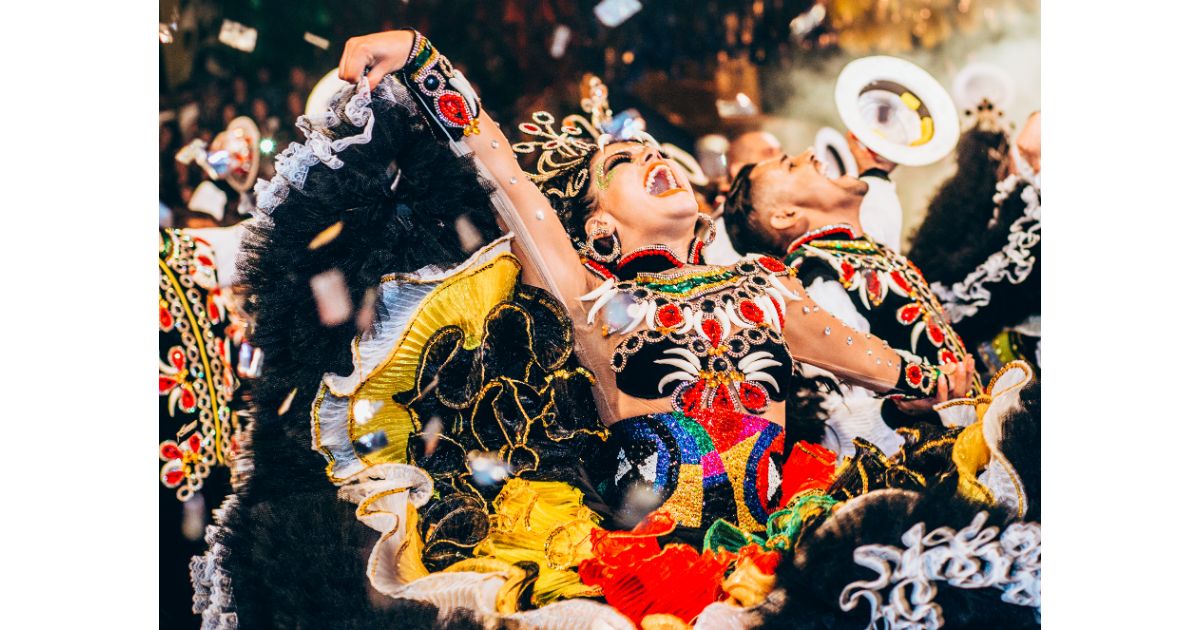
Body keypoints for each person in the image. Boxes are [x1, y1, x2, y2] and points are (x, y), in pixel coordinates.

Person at [329, 29, 947, 532]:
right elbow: (502, 175)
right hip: (652, 579)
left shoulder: (769, 285)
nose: (651, 155)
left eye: (652, 149)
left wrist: (934, 382)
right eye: (623, 162)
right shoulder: (591, 301)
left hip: (778, 555)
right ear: (599, 225)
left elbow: (879, 364)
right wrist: (419, 55)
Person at [718, 146, 979, 457]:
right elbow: (831, 418)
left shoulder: (856, 253)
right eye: (790, 165)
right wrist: (901, 412)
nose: (811, 153)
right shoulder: (813, 282)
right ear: (785, 216)